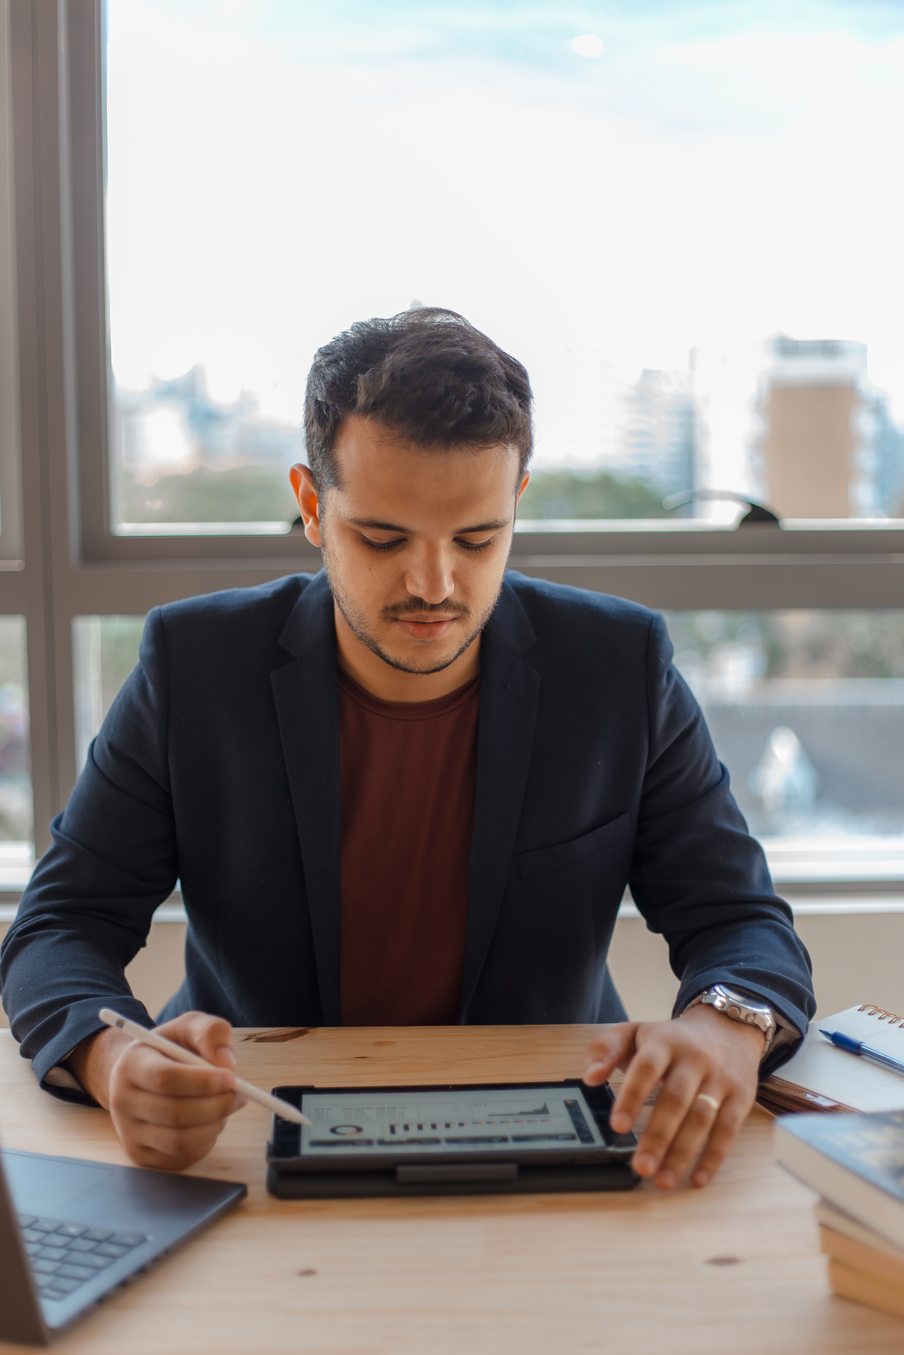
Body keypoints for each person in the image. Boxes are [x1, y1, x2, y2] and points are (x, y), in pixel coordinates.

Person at [1, 309, 814, 1189]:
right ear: (312, 505)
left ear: (517, 506)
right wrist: (112, 1058)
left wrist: (724, 1027)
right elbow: (61, 925)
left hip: (555, 1127)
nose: (434, 584)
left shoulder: (619, 666)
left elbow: (739, 921)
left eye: (477, 539)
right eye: (382, 539)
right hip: (255, 1126)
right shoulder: (192, 665)